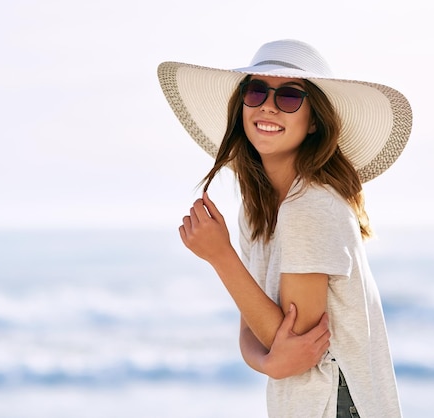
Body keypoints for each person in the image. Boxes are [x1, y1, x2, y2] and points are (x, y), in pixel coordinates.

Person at [157, 39, 412, 418]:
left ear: (313, 122)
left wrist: (221, 256)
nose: (268, 106)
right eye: (256, 91)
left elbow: (294, 346)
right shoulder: (256, 210)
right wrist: (267, 364)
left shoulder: (309, 206)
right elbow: (254, 332)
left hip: (338, 405)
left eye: (290, 97)